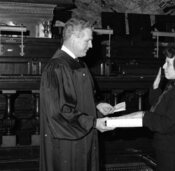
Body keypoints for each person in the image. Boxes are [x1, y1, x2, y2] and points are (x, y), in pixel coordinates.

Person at [40, 18, 115, 171]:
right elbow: (59, 111)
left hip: (82, 137)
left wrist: (96, 106)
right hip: (67, 143)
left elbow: (75, 99)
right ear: (74, 38)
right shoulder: (56, 67)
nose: (91, 45)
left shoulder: (79, 64)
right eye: (88, 40)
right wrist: (93, 123)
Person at [115, 43, 175, 171]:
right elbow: (160, 109)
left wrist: (144, 116)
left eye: (168, 63)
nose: (164, 66)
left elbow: (168, 124)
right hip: (172, 149)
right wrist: (155, 88)